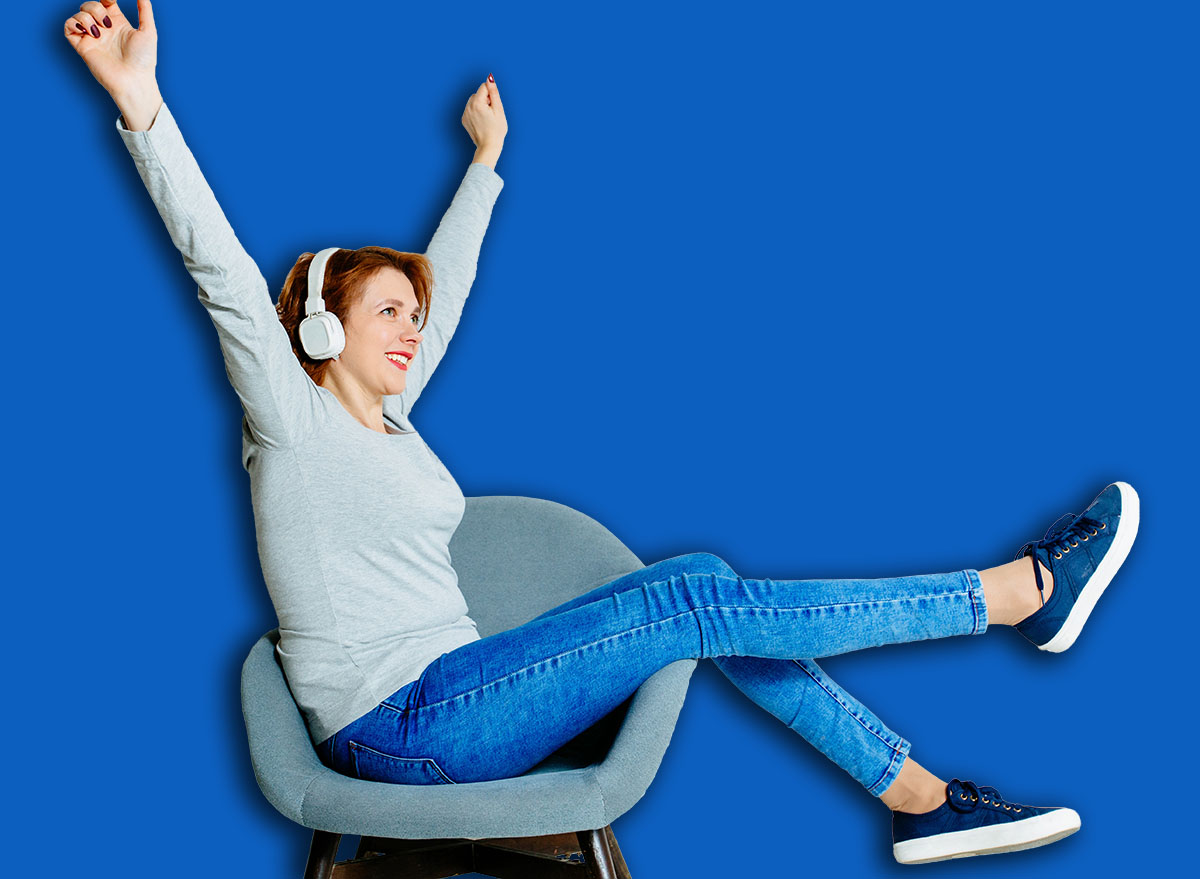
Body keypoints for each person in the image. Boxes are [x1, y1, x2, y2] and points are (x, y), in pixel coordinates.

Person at [66, 1, 1140, 865]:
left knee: (705, 583)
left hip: (462, 693)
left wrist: (483, 168)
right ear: (316, 326)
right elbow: (215, 267)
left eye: (410, 313)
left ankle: (921, 799)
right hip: (405, 728)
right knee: (688, 595)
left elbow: (457, 287)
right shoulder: (289, 421)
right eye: (386, 312)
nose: (409, 329)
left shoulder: (387, 417)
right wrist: (142, 101)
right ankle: (1012, 596)